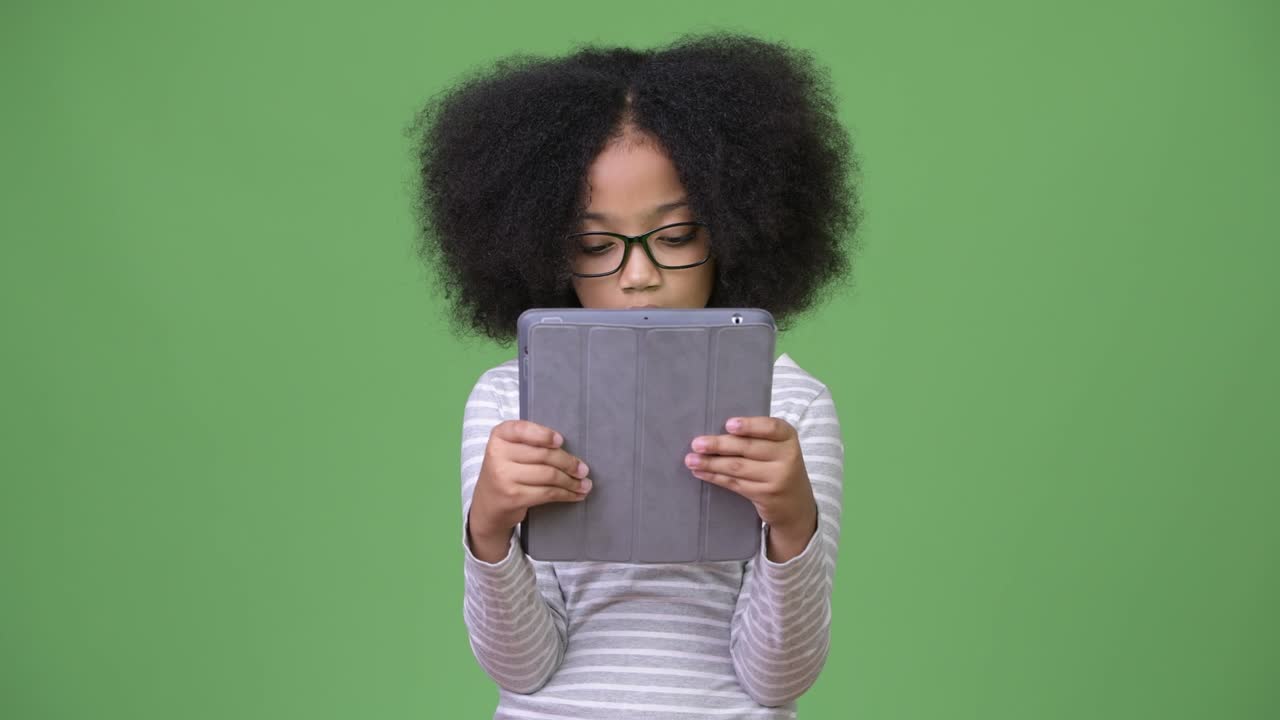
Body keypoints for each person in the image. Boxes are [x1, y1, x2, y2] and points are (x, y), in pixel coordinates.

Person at [409, 32, 861, 719]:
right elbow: (521, 668)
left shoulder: (790, 407)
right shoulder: (508, 401)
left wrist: (793, 523)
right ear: (542, 247)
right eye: (595, 244)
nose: (638, 274)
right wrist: (491, 531)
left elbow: (776, 681)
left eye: (676, 236)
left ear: (733, 230)